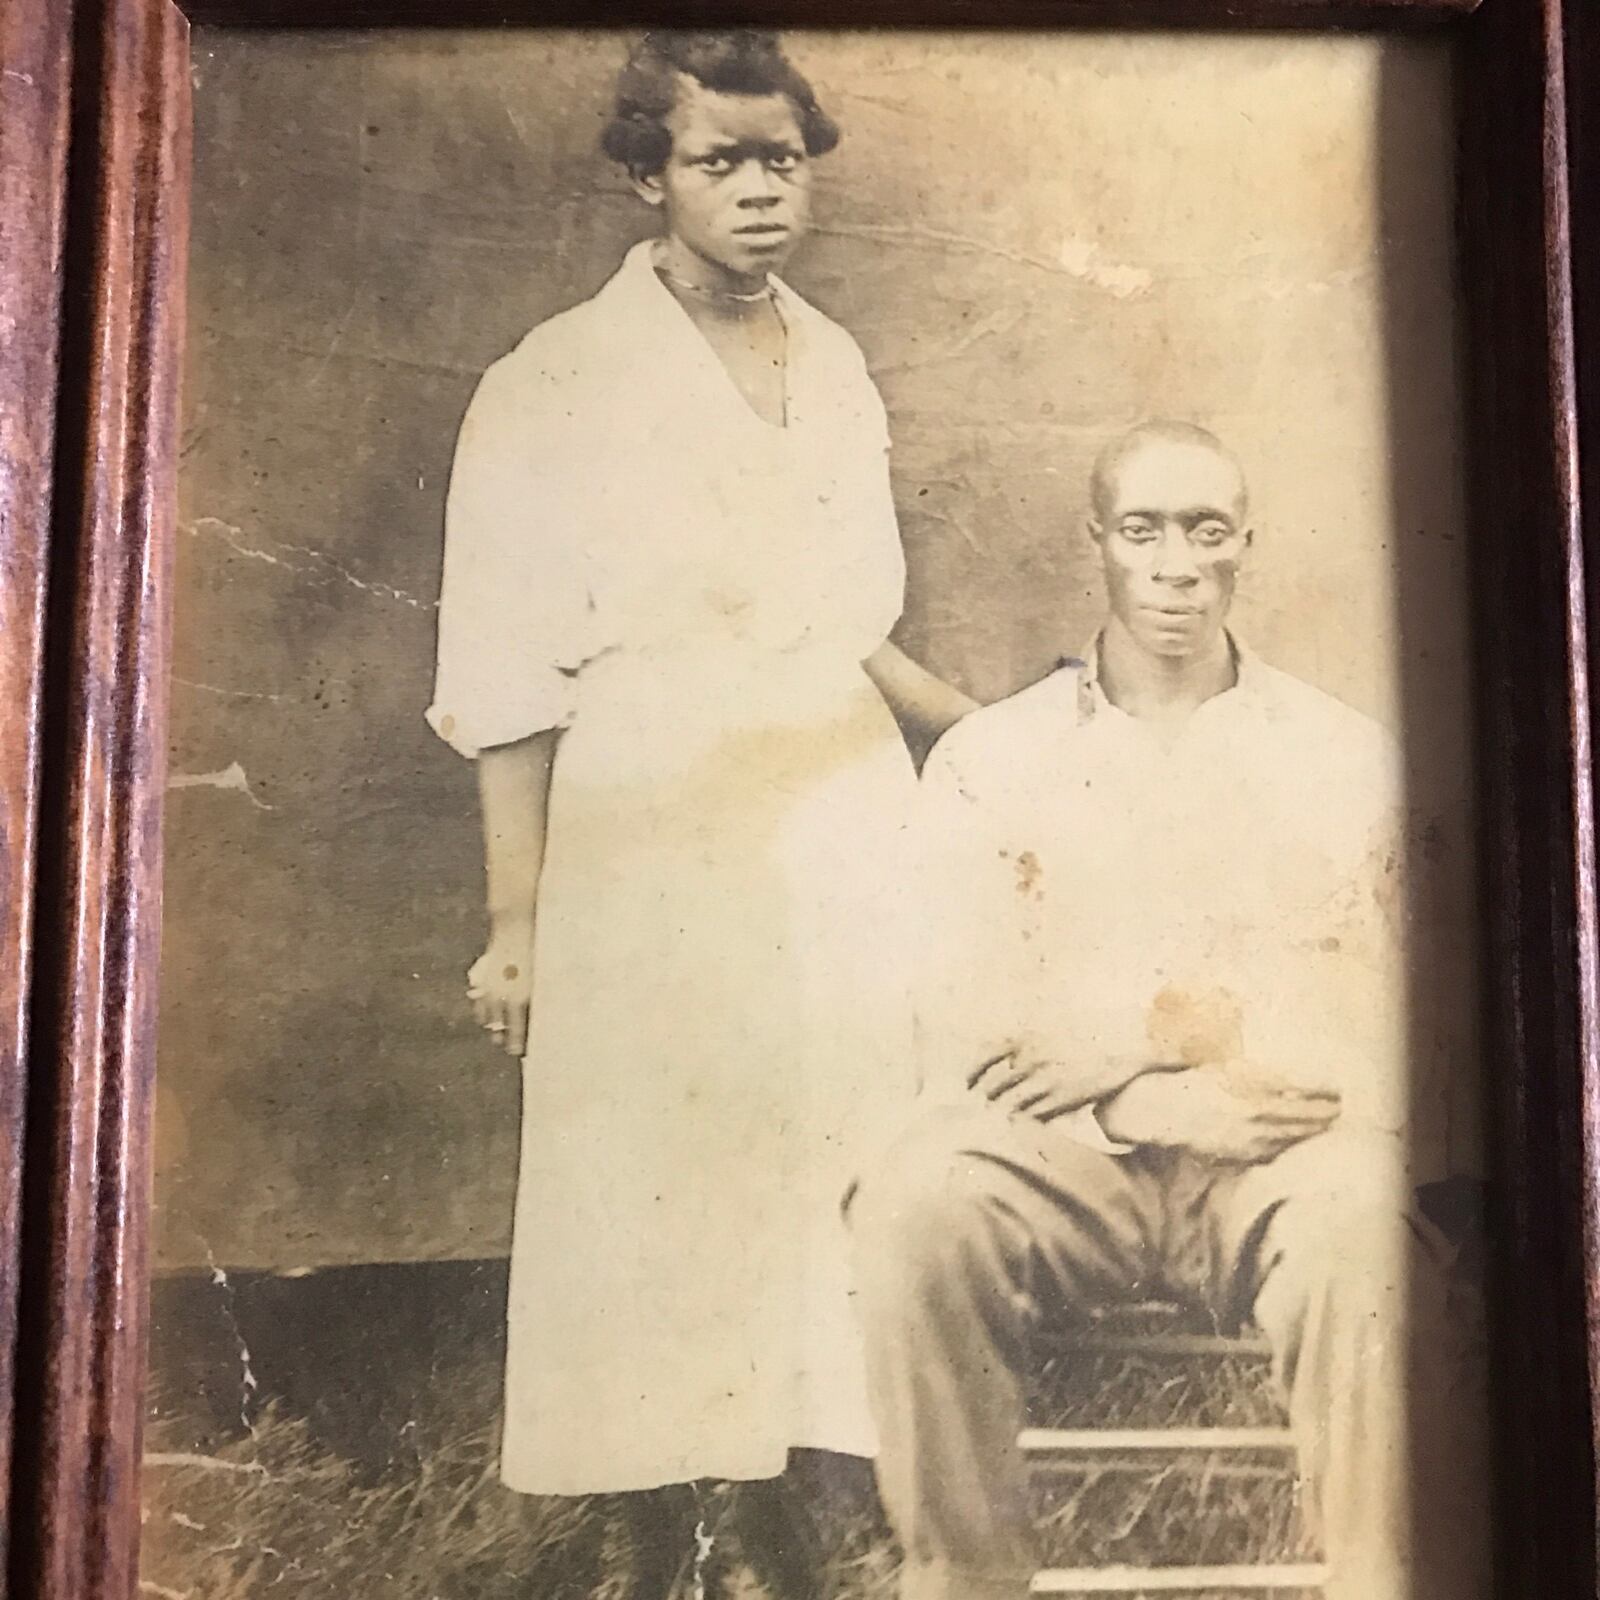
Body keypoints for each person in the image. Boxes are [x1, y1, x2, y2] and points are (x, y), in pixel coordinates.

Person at [426, 29, 972, 1600]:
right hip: (652, 810)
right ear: (648, 173)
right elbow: (509, 669)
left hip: (836, 799)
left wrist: (982, 737)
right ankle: (666, 1515)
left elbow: (847, 623)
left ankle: (798, 1491)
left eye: (780, 160)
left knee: (835, 1133)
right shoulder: (555, 379)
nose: (755, 192)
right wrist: (518, 922)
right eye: (718, 161)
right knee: (658, 1152)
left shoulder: (840, 364)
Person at [849, 421, 1489, 1600]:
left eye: (1206, 530)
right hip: (1064, 1159)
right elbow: (954, 1009)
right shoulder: (994, 757)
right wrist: (1143, 1101)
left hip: (1275, 1151)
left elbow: (1377, 1003)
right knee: (913, 1203)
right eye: (1142, 529)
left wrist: (1149, 1047)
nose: (1176, 563)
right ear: (1097, 541)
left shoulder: (1342, 754)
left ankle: (1383, 1579)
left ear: (1247, 541)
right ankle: (964, 1581)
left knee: (1365, 1233)